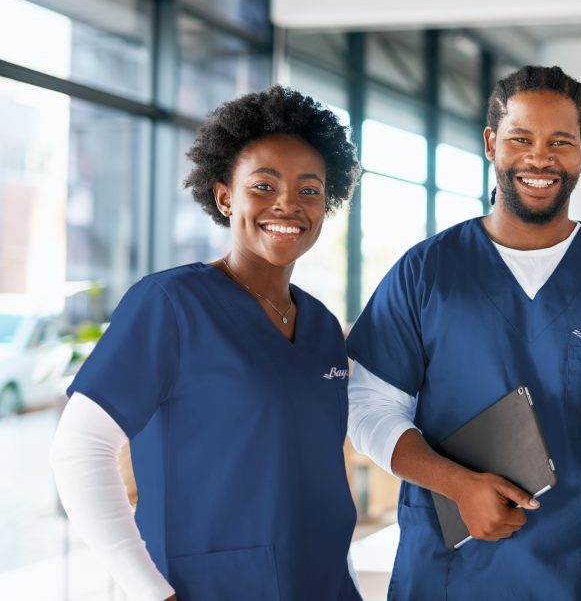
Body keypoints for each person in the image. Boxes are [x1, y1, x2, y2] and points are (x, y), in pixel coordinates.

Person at [346, 65, 581, 600]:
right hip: (449, 574)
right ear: (491, 143)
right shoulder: (427, 272)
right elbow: (368, 409)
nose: (540, 158)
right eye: (520, 139)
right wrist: (457, 484)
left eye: (560, 141)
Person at [49, 86, 363, 601]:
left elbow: (319, 473)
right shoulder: (170, 304)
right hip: (208, 586)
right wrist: (151, 591)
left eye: (309, 190)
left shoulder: (323, 326)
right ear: (224, 197)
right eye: (263, 185)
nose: (287, 203)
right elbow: (79, 450)